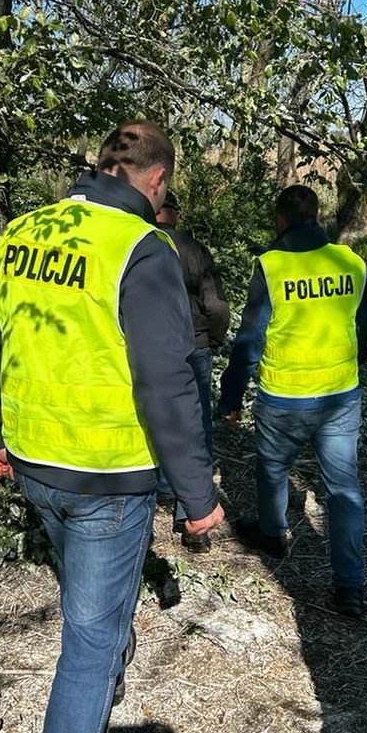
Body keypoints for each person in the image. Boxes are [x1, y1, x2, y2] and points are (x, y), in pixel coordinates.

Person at [0, 120, 224, 733]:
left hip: (35, 464)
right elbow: (166, 381)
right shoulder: (139, 246)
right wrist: (198, 498)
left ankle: (111, 650)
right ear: (158, 179)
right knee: (87, 641)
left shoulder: (25, 231)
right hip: (108, 478)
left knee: (91, 614)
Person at [217, 184, 367, 618]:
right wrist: (354, 358)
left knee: (273, 468)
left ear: (280, 220)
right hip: (339, 396)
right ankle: (350, 587)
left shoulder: (271, 267)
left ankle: (274, 534)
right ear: (317, 216)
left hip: (284, 399)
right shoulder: (349, 262)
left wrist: (231, 394)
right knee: (344, 490)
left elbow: (250, 339)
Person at [153, 188, 231, 553]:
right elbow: (215, 305)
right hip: (193, 346)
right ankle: (190, 517)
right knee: (196, 426)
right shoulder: (196, 251)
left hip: (147, 346)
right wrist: (213, 339)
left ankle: (160, 493)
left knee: (150, 418)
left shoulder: (137, 244)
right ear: (177, 213)